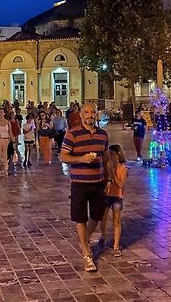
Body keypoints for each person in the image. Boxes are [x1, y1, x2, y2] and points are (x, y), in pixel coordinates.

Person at [60, 102, 109, 272]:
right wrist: (80, 159)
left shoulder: (103, 135)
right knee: (80, 218)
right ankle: (87, 254)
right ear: (80, 115)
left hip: (97, 182)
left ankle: (84, 238)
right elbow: (63, 156)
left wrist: (108, 180)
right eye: (86, 112)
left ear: (96, 115)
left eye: (93, 112)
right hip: (79, 183)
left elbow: (106, 158)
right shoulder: (72, 134)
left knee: (97, 215)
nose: (90, 115)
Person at [99, 144, 127, 257]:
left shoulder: (123, 169)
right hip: (106, 195)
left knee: (117, 221)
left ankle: (116, 245)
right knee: (103, 218)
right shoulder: (106, 166)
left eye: (112, 154)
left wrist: (112, 174)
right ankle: (103, 236)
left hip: (117, 196)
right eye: (108, 154)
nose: (110, 156)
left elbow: (121, 184)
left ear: (118, 155)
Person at [0, 109, 14, 181]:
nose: (0, 114)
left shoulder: (8, 122)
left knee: (5, 156)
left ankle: (5, 170)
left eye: (1, 112)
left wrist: (13, 140)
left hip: (6, 140)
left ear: (4, 113)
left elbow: (10, 132)